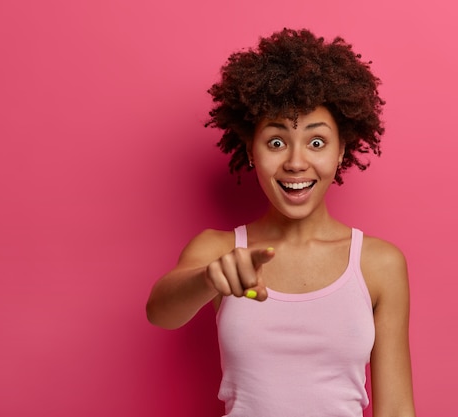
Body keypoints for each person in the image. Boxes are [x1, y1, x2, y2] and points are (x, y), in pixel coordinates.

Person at [146, 28, 415, 417]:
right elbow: (160, 312)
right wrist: (210, 278)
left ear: (342, 150)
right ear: (250, 150)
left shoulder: (379, 263)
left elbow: (397, 409)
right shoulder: (218, 250)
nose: (295, 162)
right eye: (276, 142)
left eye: (317, 142)